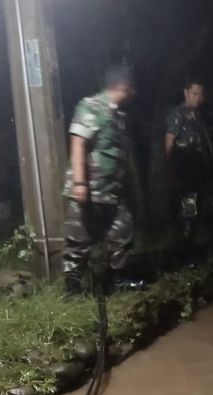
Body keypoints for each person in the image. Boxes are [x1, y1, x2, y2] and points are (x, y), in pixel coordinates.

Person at [62, 65, 138, 296]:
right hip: (90, 188)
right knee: (79, 240)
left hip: (112, 191)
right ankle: (73, 288)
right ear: (123, 87)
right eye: (132, 88)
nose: (135, 93)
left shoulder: (119, 115)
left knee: (122, 231)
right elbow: (78, 142)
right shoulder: (92, 106)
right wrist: (80, 183)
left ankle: (116, 280)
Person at [164, 79, 213, 245]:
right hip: (183, 167)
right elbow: (170, 141)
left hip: (197, 168)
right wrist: (170, 168)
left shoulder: (198, 117)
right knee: (187, 209)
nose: (198, 98)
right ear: (186, 93)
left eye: (201, 95)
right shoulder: (178, 113)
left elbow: (201, 144)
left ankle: (191, 244)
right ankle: (184, 248)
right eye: (194, 94)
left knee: (196, 207)